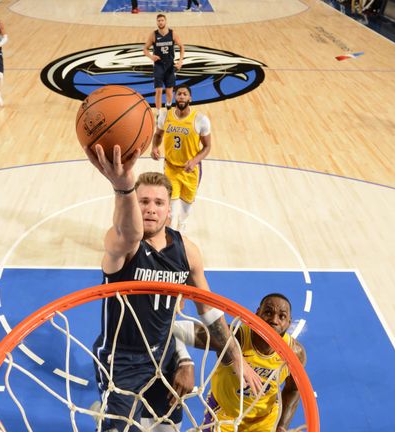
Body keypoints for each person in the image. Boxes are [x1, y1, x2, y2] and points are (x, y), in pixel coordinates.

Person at [84, 144, 262, 431]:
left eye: (158, 203)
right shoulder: (123, 246)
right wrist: (123, 188)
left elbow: (211, 315)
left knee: (167, 427)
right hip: (122, 361)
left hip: (163, 356)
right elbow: (128, 232)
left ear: (169, 210)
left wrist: (234, 360)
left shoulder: (187, 252)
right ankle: (105, 410)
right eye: (143, 202)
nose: (150, 209)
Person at [172, 293, 307, 432]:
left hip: (265, 419)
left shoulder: (295, 353)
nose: (274, 320)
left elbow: (293, 389)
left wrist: (282, 425)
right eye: (268, 312)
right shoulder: (235, 337)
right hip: (225, 413)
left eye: (282, 316)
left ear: (289, 323)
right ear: (257, 314)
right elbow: (174, 329)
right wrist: (185, 362)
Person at [150, 86, 211, 232]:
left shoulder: (201, 120)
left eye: (185, 94)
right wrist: (154, 147)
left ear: (190, 98)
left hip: (191, 170)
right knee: (172, 206)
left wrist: (195, 160)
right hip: (171, 168)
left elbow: (207, 147)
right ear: (175, 98)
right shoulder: (165, 116)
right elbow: (158, 135)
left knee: (186, 206)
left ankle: (182, 224)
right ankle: (172, 234)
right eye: (179, 94)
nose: (182, 96)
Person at [143, 14, 184, 112]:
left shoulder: (172, 33)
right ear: (157, 22)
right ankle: (158, 112)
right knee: (159, 90)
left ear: (165, 21)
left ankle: (168, 106)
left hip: (170, 65)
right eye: (158, 20)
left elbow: (182, 46)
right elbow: (145, 49)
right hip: (159, 65)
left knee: (169, 91)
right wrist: (151, 56)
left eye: (162, 20)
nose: (160, 22)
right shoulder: (154, 34)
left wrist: (180, 61)